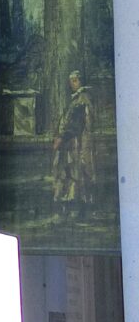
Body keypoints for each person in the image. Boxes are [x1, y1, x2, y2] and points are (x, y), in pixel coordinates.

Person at [52, 70, 96, 219]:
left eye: (75, 81)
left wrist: (62, 137)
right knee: (74, 171)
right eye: (71, 81)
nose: (72, 84)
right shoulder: (76, 99)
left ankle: (81, 206)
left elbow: (77, 124)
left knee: (79, 171)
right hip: (74, 141)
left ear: (80, 81)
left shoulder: (82, 100)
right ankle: (78, 204)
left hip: (78, 141)